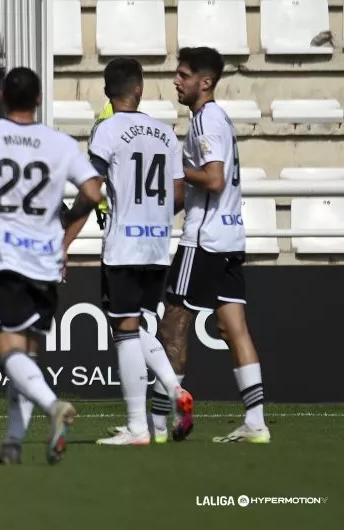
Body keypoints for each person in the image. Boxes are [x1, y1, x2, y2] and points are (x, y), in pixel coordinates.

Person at [0, 67, 104, 464]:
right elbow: (92, 191)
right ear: (38, 100)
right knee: (28, 357)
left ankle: (54, 406)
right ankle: (12, 445)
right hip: (46, 259)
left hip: (5, 258)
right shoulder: (60, 143)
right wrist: (66, 222)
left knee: (9, 352)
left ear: (2, 96)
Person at [63, 57, 194, 445]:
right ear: (139, 89)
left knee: (124, 332)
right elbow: (181, 192)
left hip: (123, 247)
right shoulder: (164, 133)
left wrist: (64, 242)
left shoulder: (106, 131)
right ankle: (174, 390)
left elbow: (91, 191)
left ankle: (139, 427)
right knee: (136, 327)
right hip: (156, 246)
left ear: (107, 92)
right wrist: (153, 216)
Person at [156, 47, 270, 443]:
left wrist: (173, 163)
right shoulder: (216, 119)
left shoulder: (206, 122)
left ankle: (161, 420)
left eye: (183, 74)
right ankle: (255, 422)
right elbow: (204, 186)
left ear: (205, 82)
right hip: (230, 236)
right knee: (231, 326)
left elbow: (214, 179)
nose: (176, 80)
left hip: (203, 240)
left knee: (173, 322)